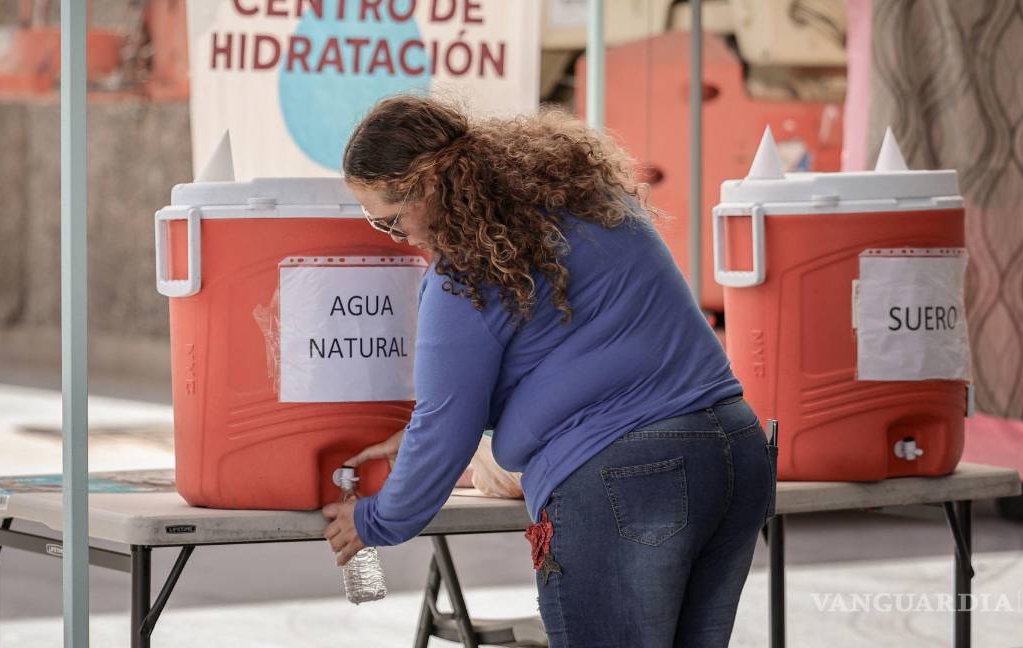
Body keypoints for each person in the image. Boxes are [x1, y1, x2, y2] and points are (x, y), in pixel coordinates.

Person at [322, 94, 775, 647]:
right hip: (735, 450)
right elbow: (579, 352)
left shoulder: (465, 272)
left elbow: (446, 426)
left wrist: (372, 521)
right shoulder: (591, 202)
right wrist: (421, 439)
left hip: (627, 478)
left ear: (429, 184)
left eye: (391, 222)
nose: (402, 239)